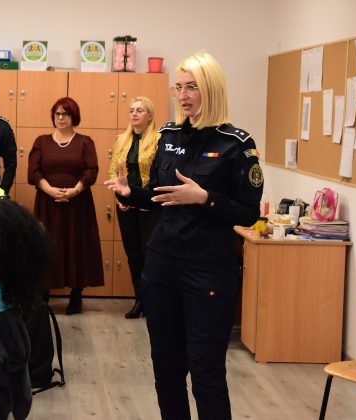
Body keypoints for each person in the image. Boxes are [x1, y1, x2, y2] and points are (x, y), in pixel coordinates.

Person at [105, 51, 263, 419]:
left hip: (207, 272)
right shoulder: (168, 135)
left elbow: (248, 212)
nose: (183, 95)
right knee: (166, 372)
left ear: (212, 89)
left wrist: (205, 198)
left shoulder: (237, 144)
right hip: (162, 268)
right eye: (178, 88)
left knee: (206, 374)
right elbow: (160, 195)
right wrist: (131, 194)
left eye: (192, 87)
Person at [28, 97, 104, 315]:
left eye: (66, 114)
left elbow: (91, 170)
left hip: (77, 204)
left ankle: (76, 294)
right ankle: (43, 292)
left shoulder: (85, 142)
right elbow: (33, 172)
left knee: (77, 245)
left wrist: (75, 191)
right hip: (47, 203)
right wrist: (50, 190)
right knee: (46, 245)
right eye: (57, 114)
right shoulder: (41, 141)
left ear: (74, 117)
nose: (61, 118)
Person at [108, 96, 162, 319]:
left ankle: (152, 302)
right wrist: (121, 198)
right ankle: (139, 300)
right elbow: (114, 171)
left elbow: (159, 174)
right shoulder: (122, 139)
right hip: (126, 205)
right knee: (133, 255)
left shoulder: (159, 139)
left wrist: (141, 196)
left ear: (150, 115)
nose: (134, 114)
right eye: (131, 110)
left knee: (150, 254)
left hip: (150, 206)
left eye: (140, 110)